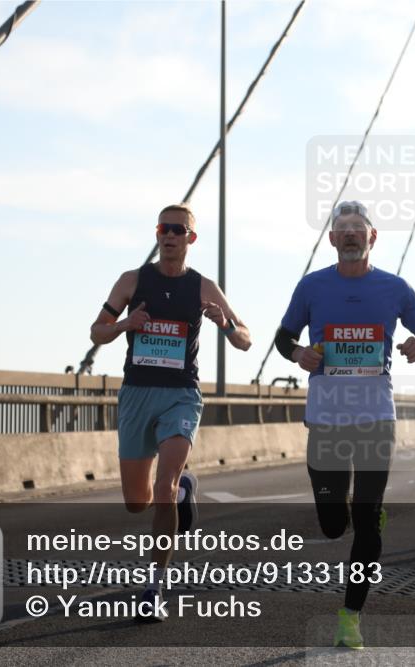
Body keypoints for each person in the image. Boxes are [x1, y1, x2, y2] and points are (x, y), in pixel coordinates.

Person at [274, 200, 415, 649]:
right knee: (333, 524)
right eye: (342, 228)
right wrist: (298, 353)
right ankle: (357, 512)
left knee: (366, 522)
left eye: (358, 228)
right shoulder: (312, 286)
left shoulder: (395, 287)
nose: (350, 234)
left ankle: (350, 617)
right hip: (326, 418)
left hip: (375, 418)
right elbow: (283, 337)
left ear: (372, 237)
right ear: (332, 239)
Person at [90, 203, 252, 622]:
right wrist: (125, 325)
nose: (170, 236)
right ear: (157, 234)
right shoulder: (132, 280)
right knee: (135, 502)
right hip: (137, 395)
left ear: (191, 239)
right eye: (165, 228)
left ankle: (153, 587)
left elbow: (246, 339)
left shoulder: (203, 287)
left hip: (181, 395)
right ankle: (183, 490)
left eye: (179, 230)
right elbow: (96, 332)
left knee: (163, 487)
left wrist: (225, 325)